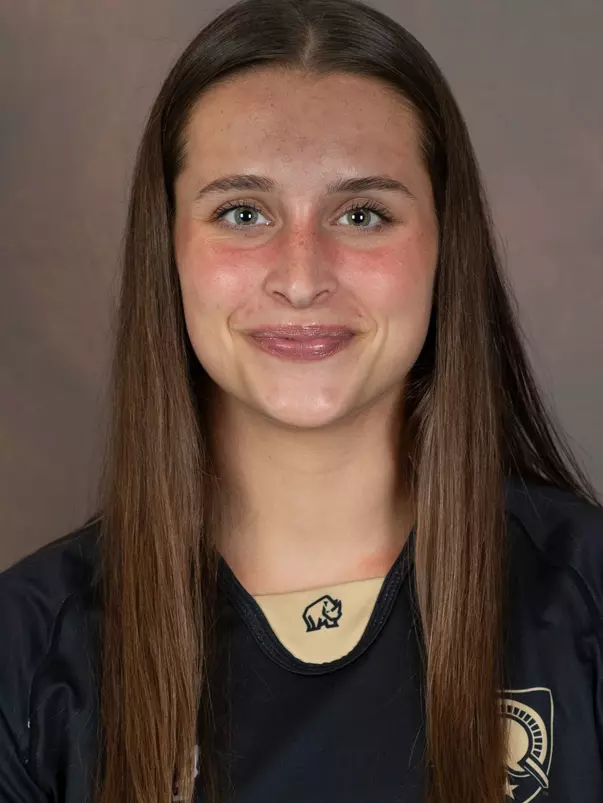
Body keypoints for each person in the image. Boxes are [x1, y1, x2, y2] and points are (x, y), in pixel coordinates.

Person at [1, 0, 602, 801]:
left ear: (443, 245)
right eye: (242, 213)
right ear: (168, 248)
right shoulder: (28, 648)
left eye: (362, 214)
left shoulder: (587, 596)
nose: (300, 275)